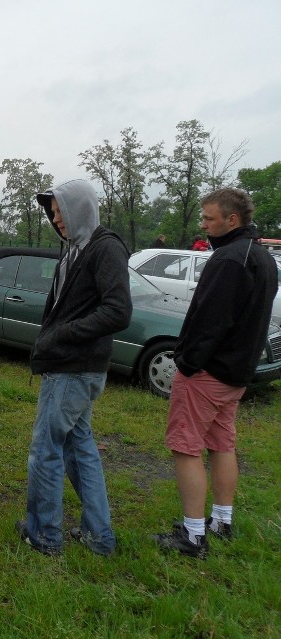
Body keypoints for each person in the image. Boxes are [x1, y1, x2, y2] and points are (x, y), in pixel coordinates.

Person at [153, 188, 278, 558]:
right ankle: (221, 520)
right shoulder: (261, 258)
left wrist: (187, 362)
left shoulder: (228, 259)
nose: (204, 225)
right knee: (222, 443)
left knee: (185, 446)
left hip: (208, 373)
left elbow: (210, 319)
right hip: (237, 373)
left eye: (208, 218)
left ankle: (193, 535)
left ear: (232, 219)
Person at [16, 179, 132, 556]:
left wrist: (63, 335)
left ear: (80, 208)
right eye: (52, 214)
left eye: (61, 211)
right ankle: (100, 536)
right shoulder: (74, 250)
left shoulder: (105, 248)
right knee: (79, 448)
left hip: (75, 369)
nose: (56, 220)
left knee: (45, 451)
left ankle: (44, 534)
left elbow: (118, 311)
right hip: (70, 366)